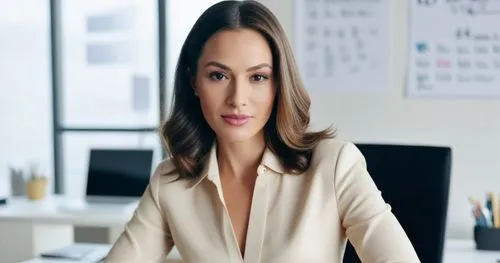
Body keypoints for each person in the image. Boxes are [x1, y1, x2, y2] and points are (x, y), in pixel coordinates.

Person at [105, 1, 420, 262]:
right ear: (194, 82)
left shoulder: (335, 166)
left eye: (257, 77)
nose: (237, 99)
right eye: (218, 76)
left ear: (278, 83)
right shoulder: (171, 182)